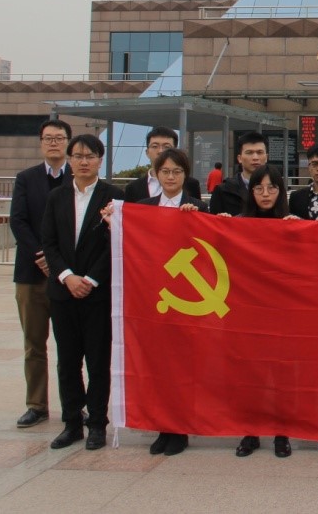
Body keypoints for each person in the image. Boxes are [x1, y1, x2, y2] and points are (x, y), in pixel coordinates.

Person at [40, 134, 123, 451]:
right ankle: (72, 422)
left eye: (90, 156)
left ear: (100, 160)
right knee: (67, 361)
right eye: (78, 156)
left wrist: (90, 279)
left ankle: (97, 424)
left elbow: (115, 243)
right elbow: (49, 243)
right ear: (70, 159)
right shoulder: (57, 197)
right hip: (63, 293)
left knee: (98, 362)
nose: (84, 161)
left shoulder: (113, 197)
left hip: (97, 294)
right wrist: (67, 277)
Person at [137, 148, 204, 456]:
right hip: (153, 296)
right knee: (158, 364)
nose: (171, 177)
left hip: (186, 299)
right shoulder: (143, 208)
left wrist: (195, 220)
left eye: (177, 171)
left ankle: (180, 428)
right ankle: (162, 425)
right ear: (156, 174)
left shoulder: (197, 207)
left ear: (185, 175)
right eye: (165, 171)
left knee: (182, 365)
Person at [8, 118, 72, 429]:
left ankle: (74, 406)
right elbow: (18, 221)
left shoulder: (79, 178)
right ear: (41, 143)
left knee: (71, 345)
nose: (54, 143)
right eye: (48, 138)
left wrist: (58, 262)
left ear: (68, 143)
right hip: (31, 274)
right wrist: (42, 256)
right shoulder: (26, 179)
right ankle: (36, 404)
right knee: (34, 343)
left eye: (59, 138)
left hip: (68, 275)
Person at [233, 166, 296, 458]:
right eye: (259, 188)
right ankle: (251, 431)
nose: (266, 194)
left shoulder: (292, 224)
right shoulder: (239, 224)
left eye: (272, 188)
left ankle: (282, 431)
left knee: (281, 374)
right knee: (250, 374)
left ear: (281, 191)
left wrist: (301, 231)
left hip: (283, 312)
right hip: (249, 312)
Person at [122, 126, 202, 203]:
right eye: (155, 146)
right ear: (147, 152)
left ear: (175, 151)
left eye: (166, 147)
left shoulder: (191, 184)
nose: (160, 151)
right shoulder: (133, 188)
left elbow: (197, 210)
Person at [208, 132, 269, 216]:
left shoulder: (276, 189)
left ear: (266, 157)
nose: (255, 157)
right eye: (249, 152)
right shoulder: (223, 190)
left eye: (260, 152)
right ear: (239, 158)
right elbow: (213, 221)